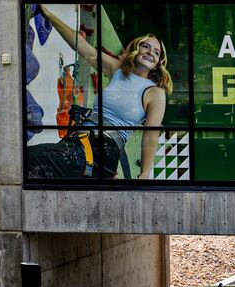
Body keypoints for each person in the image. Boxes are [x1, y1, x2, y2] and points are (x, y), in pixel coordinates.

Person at [27, 4, 172, 180]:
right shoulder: (117, 70)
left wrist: (145, 174)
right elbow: (81, 46)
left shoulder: (154, 93)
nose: (150, 53)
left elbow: (151, 136)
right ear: (136, 49)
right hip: (77, 142)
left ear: (158, 63)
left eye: (156, 52)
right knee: (29, 164)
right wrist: (50, 16)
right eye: (146, 47)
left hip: (101, 150)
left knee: (29, 160)